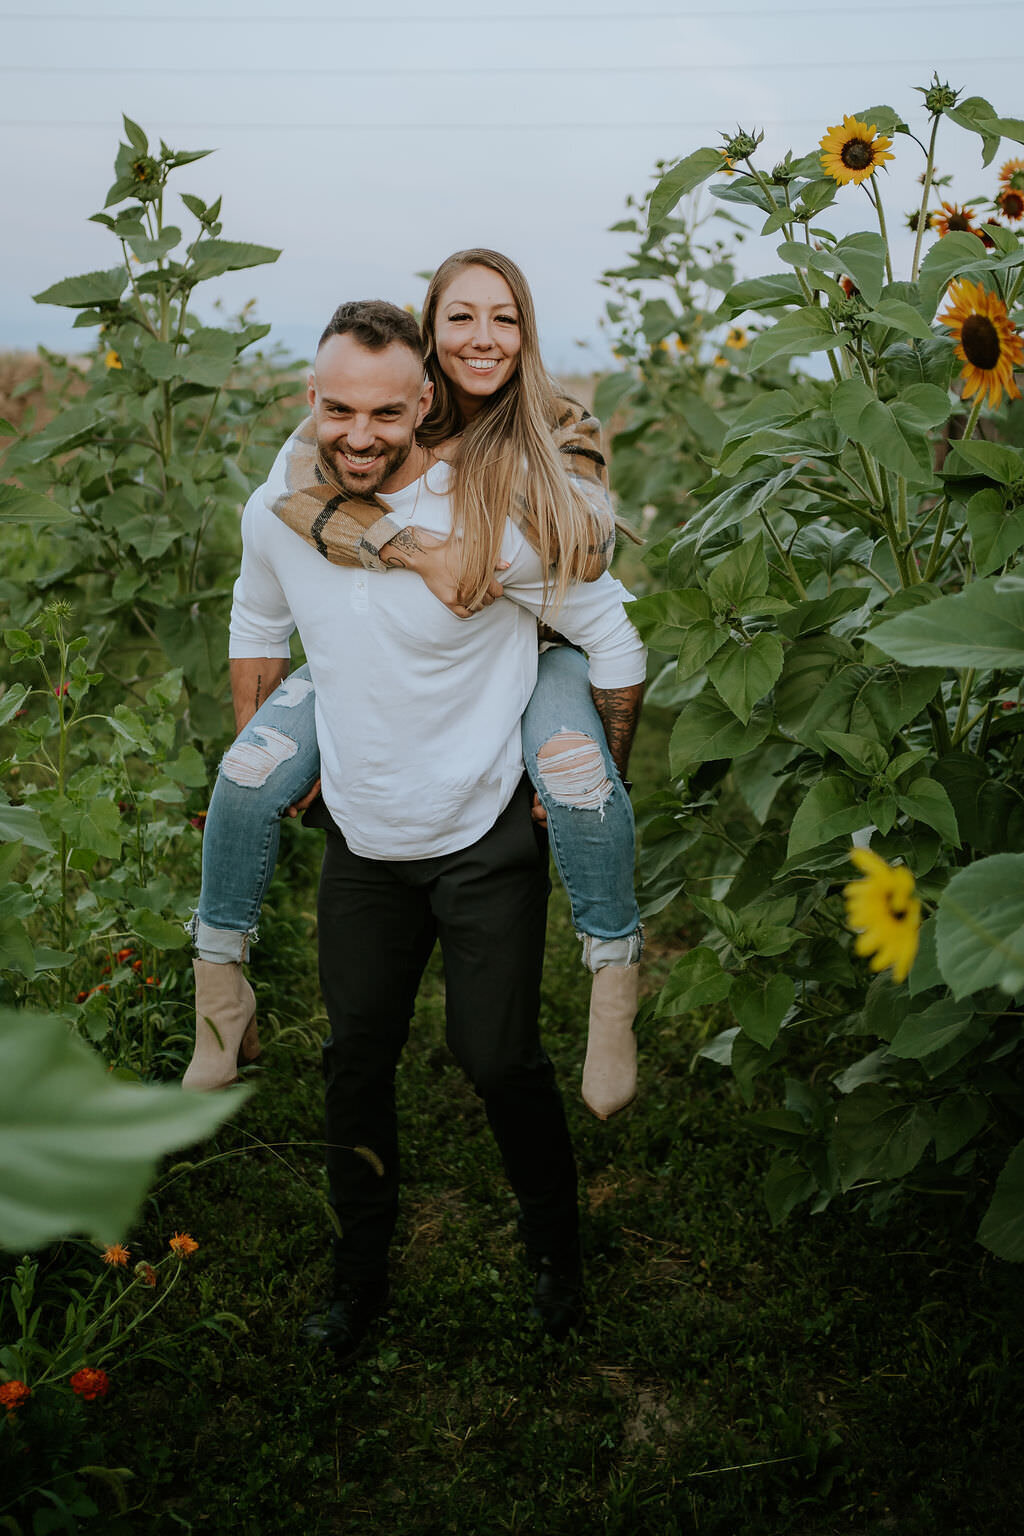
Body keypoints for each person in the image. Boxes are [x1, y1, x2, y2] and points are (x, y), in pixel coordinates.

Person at [225, 297, 646, 1355]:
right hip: (361, 844)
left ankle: (556, 1254)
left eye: (383, 412)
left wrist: (591, 772)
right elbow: (256, 623)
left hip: (482, 835)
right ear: (309, 402)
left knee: (497, 1058)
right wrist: (277, 763)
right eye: (337, 411)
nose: (359, 435)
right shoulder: (283, 508)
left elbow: (600, 620)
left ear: (425, 401)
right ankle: (356, 1278)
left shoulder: (491, 511)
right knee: (354, 1061)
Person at [184, 250, 644, 1119]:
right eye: (460, 317)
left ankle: (615, 988)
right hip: (394, 650)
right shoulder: (369, 419)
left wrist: (500, 549)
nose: (483, 338)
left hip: (544, 640)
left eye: (504, 318)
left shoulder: (553, 420)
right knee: (246, 778)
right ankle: (217, 1002)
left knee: (582, 778)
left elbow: (587, 549)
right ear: (429, 333)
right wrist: (418, 549)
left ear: (526, 331)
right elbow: (291, 495)